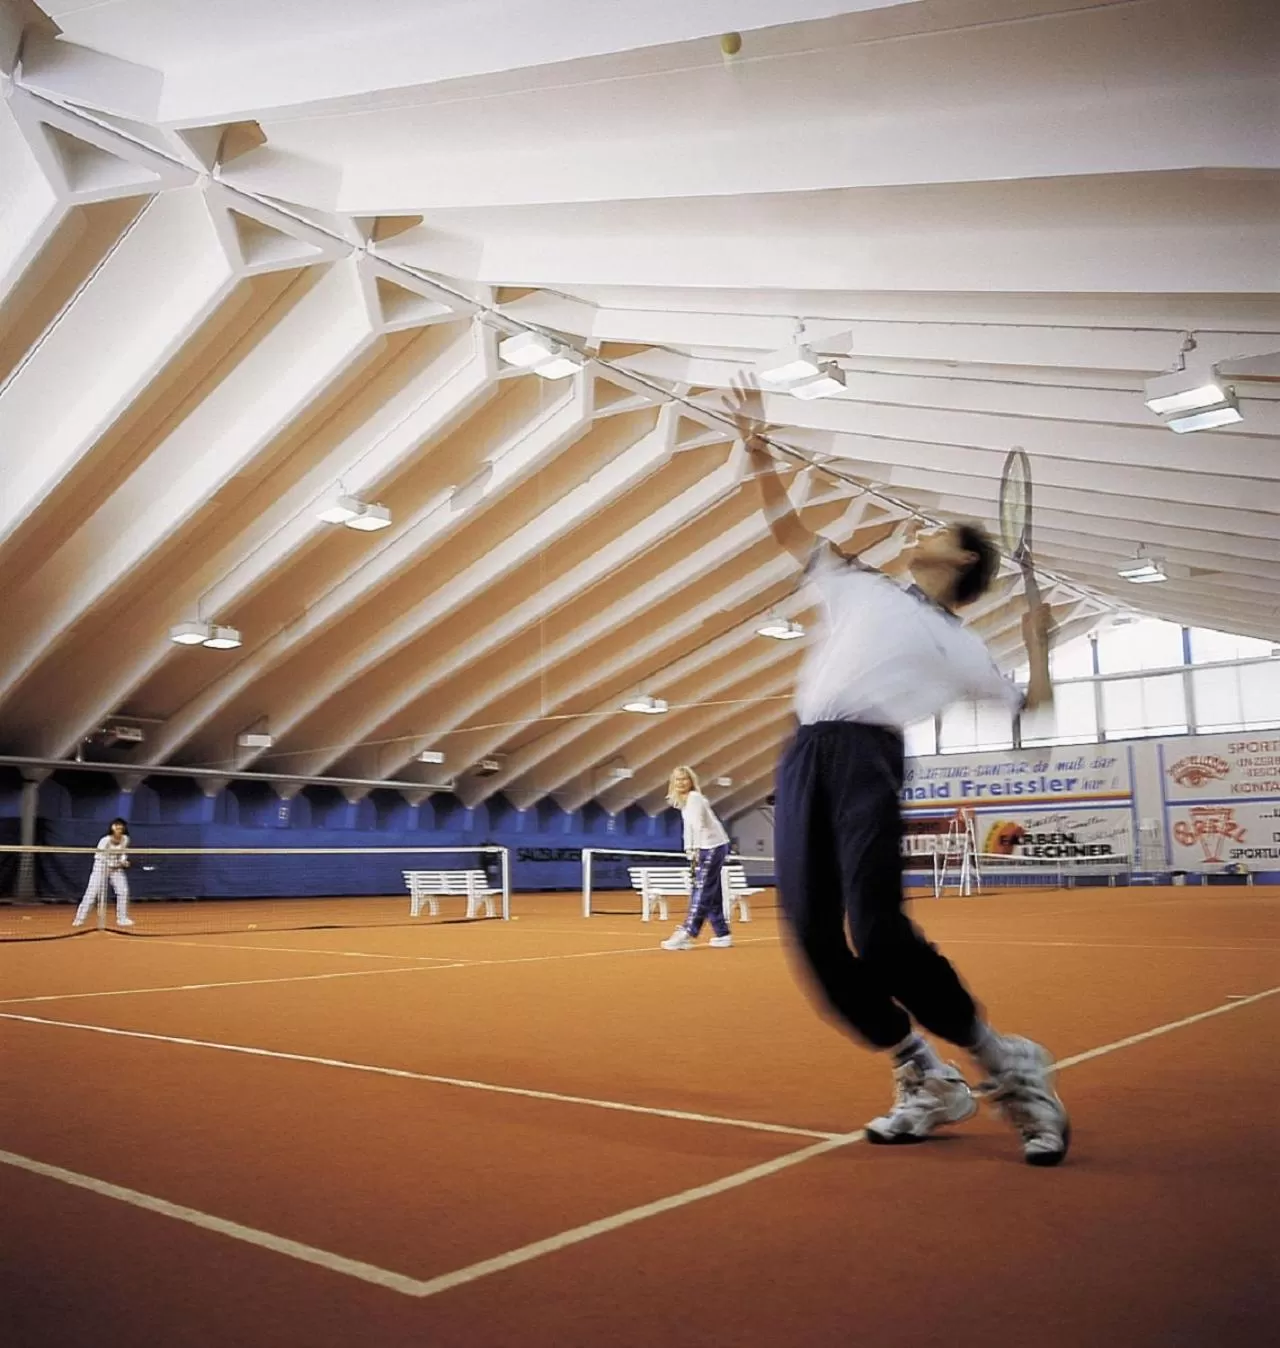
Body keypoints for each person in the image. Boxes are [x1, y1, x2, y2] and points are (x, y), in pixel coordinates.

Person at [738, 406, 1070, 1166]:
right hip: (804, 756)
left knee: (878, 934)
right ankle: (924, 1074)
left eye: (939, 533)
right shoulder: (861, 588)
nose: (923, 533)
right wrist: (758, 455)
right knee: (815, 944)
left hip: (867, 760)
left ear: (956, 564)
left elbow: (1035, 713)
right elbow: (787, 531)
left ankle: (1006, 1061)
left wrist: (1036, 647)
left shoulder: (958, 647)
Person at [660, 766, 734, 950]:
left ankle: (688, 931)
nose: (681, 782)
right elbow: (689, 828)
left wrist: (695, 851)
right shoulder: (685, 802)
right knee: (711, 891)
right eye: (678, 779)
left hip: (711, 846)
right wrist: (689, 849)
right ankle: (722, 934)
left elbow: (698, 825)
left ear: (691, 781)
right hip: (709, 846)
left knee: (701, 890)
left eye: (685, 779)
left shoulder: (694, 798)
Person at [73, 818, 133, 928]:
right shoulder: (105, 840)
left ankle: (122, 919)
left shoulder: (125, 839)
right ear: (112, 827)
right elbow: (99, 857)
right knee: (91, 894)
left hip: (116, 869)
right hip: (100, 868)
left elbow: (123, 853)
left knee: (123, 891)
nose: (118, 829)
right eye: (116, 826)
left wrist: (123, 862)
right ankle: (79, 919)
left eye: (120, 827)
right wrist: (115, 863)